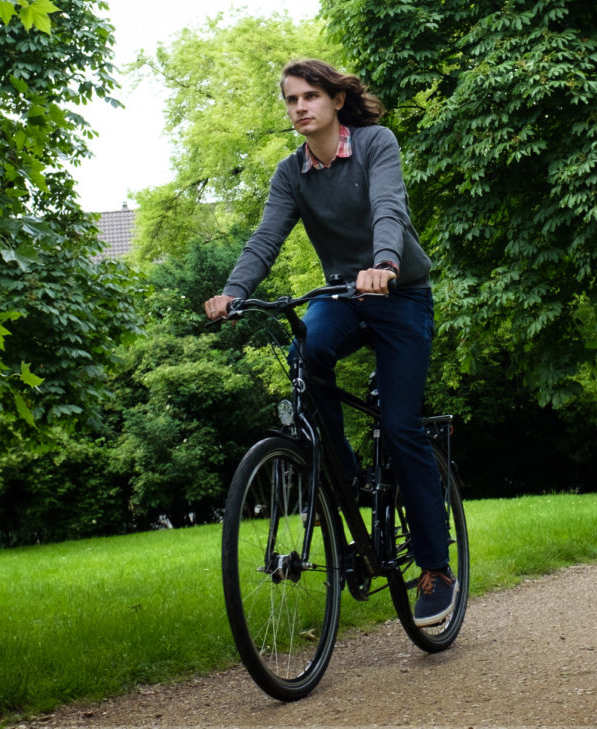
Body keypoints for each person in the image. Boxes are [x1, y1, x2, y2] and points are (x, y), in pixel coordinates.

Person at [203, 59, 455, 627]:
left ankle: (436, 569)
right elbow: (266, 236)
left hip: (400, 292)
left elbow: (388, 207)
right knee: (306, 357)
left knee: (399, 424)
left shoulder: (374, 144)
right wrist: (232, 292)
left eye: (310, 96)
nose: (300, 108)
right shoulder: (291, 173)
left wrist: (385, 263)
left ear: (336, 100)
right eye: (291, 100)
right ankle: (341, 473)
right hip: (342, 293)